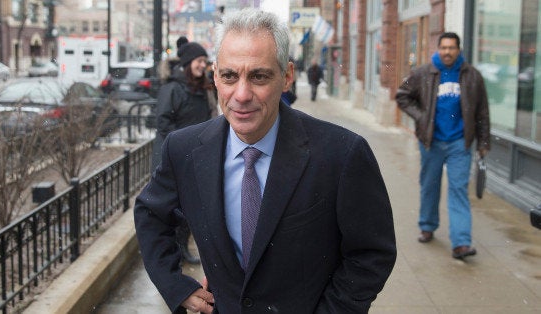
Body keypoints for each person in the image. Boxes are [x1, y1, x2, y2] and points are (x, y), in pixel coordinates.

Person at [135, 9, 396, 313]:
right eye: (230, 76)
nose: (242, 94)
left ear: (287, 77)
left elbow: (371, 254)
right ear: (215, 76)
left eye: (259, 76)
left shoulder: (342, 154)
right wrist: (174, 285)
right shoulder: (183, 150)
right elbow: (150, 215)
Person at [396, 32, 490, 260]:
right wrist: (421, 117)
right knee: (430, 185)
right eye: (444, 47)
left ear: (459, 50)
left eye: (452, 48)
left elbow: (482, 111)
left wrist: (483, 141)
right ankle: (427, 226)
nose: (447, 52)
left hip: (460, 142)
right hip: (432, 142)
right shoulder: (422, 73)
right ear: (438, 49)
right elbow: (402, 96)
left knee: (458, 190)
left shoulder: (472, 76)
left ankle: (461, 243)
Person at [152, 41, 217, 265]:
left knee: (192, 206)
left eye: (204, 61)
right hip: (174, 156)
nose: (203, 65)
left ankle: (182, 246)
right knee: (173, 207)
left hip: (197, 155)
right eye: (199, 61)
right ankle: (171, 252)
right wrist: (182, 145)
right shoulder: (171, 88)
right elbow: (163, 123)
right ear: (189, 63)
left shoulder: (203, 87)